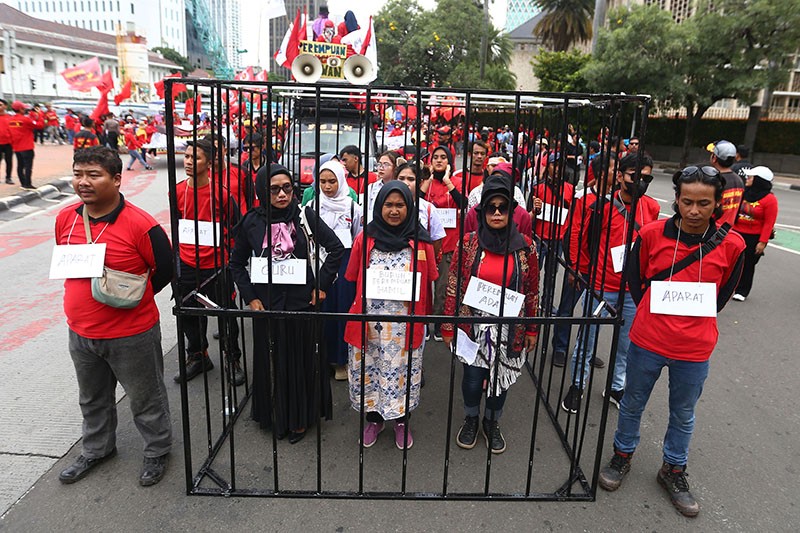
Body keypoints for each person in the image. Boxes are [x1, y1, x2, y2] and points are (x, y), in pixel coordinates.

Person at [598, 165, 745, 517]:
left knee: (683, 414)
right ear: (676, 200)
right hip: (648, 340)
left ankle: (673, 469)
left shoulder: (733, 244)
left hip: (694, 349)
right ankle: (622, 455)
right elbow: (636, 280)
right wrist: (653, 312)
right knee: (632, 402)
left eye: (704, 204)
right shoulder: (650, 234)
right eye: (687, 202)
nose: (694, 211)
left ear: (716, 204)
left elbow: (723, 294)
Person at [55, 146, 173, 486]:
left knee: (145, 397)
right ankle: (97, 449)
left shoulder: (141, 224)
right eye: (78, 174)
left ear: (117, 179)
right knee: (92, 398)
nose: (83, 182)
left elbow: (164, 268)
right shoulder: (66, 218)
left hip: (131, 334)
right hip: (80, 333)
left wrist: (134, 300)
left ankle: (157, 450)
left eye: (94, 175)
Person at [229, 164, 344, 444]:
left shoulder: (304, 216)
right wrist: (251, 297)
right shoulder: (251, 222)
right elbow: (236, 263)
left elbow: (336, 249)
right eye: (274, 189)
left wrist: (321, 287)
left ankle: (300, 419)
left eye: (287, 188)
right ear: (261, 191)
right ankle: (275, 414)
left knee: (300, 362)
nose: (282, 194)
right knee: (271, 361)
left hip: (301, 304)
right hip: (267, 306)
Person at [442, 176, 540, 454]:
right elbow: (454, 287)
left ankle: (491, 422)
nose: (497, 213)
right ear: (482, 211)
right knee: (473, 380)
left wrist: (532, 328)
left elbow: (532, 291)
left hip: (511, 327)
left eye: (503, 208)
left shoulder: (526, 247)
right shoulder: (468, 243)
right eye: (491, 208)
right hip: (474, 324)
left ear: (512, 212)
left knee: (500, 380)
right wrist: (449, 325)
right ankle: (472, 418)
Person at [561, 153, 661, 413]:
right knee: (587, 340)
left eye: (646, 177)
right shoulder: (599, 206)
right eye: (635, 176)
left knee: (627, 344)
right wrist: (579, 271)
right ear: (620, 176)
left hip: (632, 290)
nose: (641, 181)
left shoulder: (650, 207)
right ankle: (577, 385)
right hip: (601, 285)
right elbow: (579, 239)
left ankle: (617, 387)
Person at [343, 181, 438, 450]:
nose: (394, 211)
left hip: (405, 327)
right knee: (370, 373)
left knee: (402, 375)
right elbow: (352, 275)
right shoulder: (365, 239)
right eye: (388, 205)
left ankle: (401, 421)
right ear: (378, 206)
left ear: (409, 208)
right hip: (370, 324)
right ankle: (374, 420)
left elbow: (430, 278)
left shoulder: (421, 243)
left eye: (400, 205)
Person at [172, 139, 244, 386]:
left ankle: (232, 359)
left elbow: (236, 230)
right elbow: (175, 226)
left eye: (196, 157)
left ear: (210, 162)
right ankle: (198, 356)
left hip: (217, 266)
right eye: (187, 156)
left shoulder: (222, 195)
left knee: (226, 315)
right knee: (189, 315)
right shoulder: (178, 191)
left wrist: (231, 262)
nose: (190, 162)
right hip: (186, 265)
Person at [315, 160, 362, 380]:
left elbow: (357, 236)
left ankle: (342, 360)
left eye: (332, 181)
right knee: (322, 312)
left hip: (344, 265)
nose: (327, 186)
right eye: (322, 181)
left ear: (341, 181)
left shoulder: (353, 207)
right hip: (320, 264)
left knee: (342, 310)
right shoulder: (313, 207)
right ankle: (323, 359)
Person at [420, 145, 467, 341]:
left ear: (449, 162)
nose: (439, 161)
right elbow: (415, 202)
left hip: (448, 243)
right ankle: (421, 323)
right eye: (435, 157)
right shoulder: (425, 183)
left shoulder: (456, 182)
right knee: (422, 286)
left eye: (443, 158)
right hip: (425, 243)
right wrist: (428, 179)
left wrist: (448, 182)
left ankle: (438, 324)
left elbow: (464, 204)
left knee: (442, 287)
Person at [732, 166, 778, 301]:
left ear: (759, 181)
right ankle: (728, 286)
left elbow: (769, 223)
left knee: (748, 264)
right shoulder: (743, 193)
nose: (747, 179)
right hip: (737, 233)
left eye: (751, 177)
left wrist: (762, 242)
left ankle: (742, 291)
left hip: (753, 238)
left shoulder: (770, 200)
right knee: (732, 262)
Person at [707, 140, 743, 227]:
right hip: (728, 230)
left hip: (711, 229)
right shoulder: (738, 180)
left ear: (714, 158)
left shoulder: (713, 180)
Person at [8, 100, 39, 189]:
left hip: (17, 147)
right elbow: (39, 125)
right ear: (21, 109)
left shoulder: (10, 120)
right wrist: (38, 115)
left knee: (20, 165)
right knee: (28, 166)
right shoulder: (25, 119)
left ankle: (22, 182)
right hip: (27, 146)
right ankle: (27, 183)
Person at [365, 150, 401, 222]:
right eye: (379, 164)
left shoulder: (401, 187)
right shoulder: (372, 187)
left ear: (395, 167)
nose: (381, 168)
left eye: (386, 164)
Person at [0, 99, 13, 184]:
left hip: (8, 143)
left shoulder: (9, 117)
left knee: (9, 161)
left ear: (5, 106)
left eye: (1, 105)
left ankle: (8, 178)